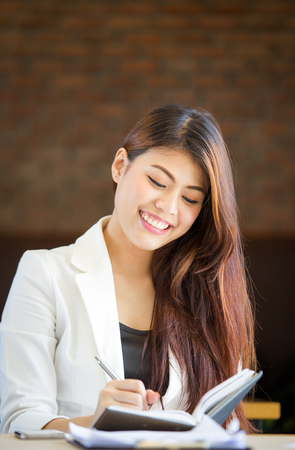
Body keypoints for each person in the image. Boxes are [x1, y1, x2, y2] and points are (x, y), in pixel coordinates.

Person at [0, 104, 256, 434]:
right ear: (120, 166)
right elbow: (17, 420)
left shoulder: (204, 288)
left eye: (190, 199)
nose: (168, 207)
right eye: (157, 181)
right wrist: (93, 423)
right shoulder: (44, 273)